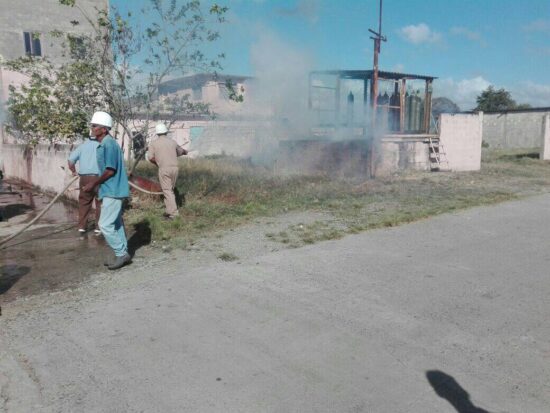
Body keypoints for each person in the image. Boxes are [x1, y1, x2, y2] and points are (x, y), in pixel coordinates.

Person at [82, 111, 131, 270]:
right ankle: (123, 253)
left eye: (95, 125)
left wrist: (93, 184)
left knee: (104, 224)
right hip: (111, 189)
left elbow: (110, 170)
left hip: (114, 190)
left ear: (104, 129)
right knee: (116, 224)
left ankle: (121, 253)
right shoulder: (105, 144)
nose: (92, 127)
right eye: (92, 125)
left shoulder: (109, 144)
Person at [147, 123, 187, 219]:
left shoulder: (153, 143)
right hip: (175, 168)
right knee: (170, 191)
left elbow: (150, 158)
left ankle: (173, 214)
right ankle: (169, 211)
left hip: (164, 169)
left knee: (167, 191)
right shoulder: (172, 142)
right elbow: (181, 152)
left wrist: (157, 163)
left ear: (157, 133)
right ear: (166, 132)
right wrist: (185, 152)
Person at [68, 135, 101, 235]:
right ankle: (98, 227)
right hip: (99, 178)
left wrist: (74, 171)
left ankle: (82, 226)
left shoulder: (82, 147)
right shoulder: (102, 146)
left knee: (84, 202)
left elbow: (70, 161)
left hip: (84, 178)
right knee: (100, 203)